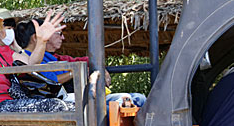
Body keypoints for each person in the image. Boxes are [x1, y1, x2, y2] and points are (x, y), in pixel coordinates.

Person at [15, 20, 145, 109]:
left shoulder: (53, 57)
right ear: (35, 37)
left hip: (78, 99)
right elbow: (51, 81)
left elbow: (82, 60)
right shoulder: (26, 59)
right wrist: (76, 72)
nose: (63, 38)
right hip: (65, 102)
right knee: (124, 104)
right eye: (58, 33)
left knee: (138, 99)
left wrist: (99, 68)